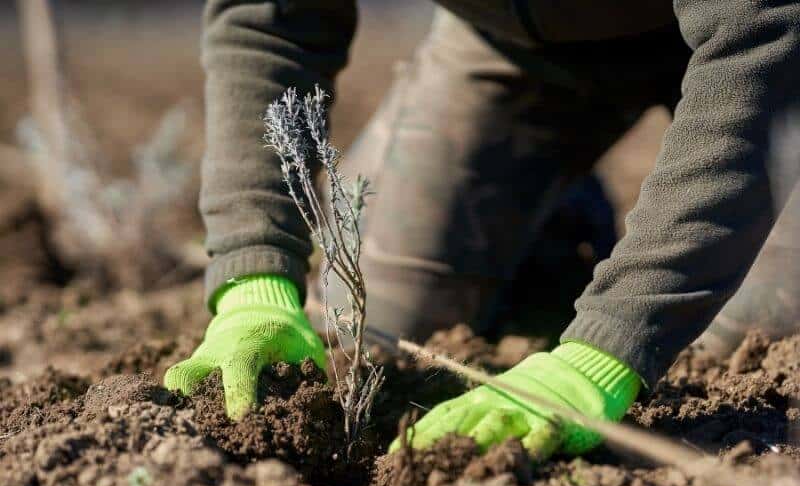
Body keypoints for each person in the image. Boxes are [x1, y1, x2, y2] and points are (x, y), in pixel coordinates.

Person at [164, 0, 800, 460]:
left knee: (749, 336)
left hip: (773, 48)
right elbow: (269, 20)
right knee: (374, 316)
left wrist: (603, 354)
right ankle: (552, 229)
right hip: (514, 48)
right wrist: (255, 281)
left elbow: (764, 35)